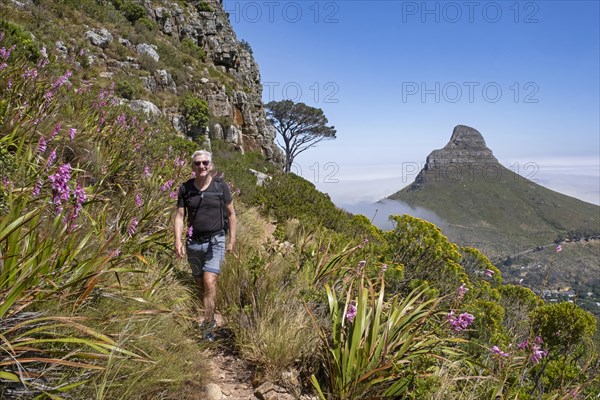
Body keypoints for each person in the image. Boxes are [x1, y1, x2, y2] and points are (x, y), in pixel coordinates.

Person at [174, 150, 237, 341]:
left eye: (205, 163)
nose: (201, 166)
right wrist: (177, 240)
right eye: (197, 163)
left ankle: (208, 325)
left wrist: (231, 240)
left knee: (209, 281)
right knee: (199, 281)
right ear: (192, 167)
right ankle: (203, 309)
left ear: (211, 165)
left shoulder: (221, 187)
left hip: (216, 240)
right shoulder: (185, 189)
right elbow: (179, 216)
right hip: (193, 242)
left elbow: (231, 214)